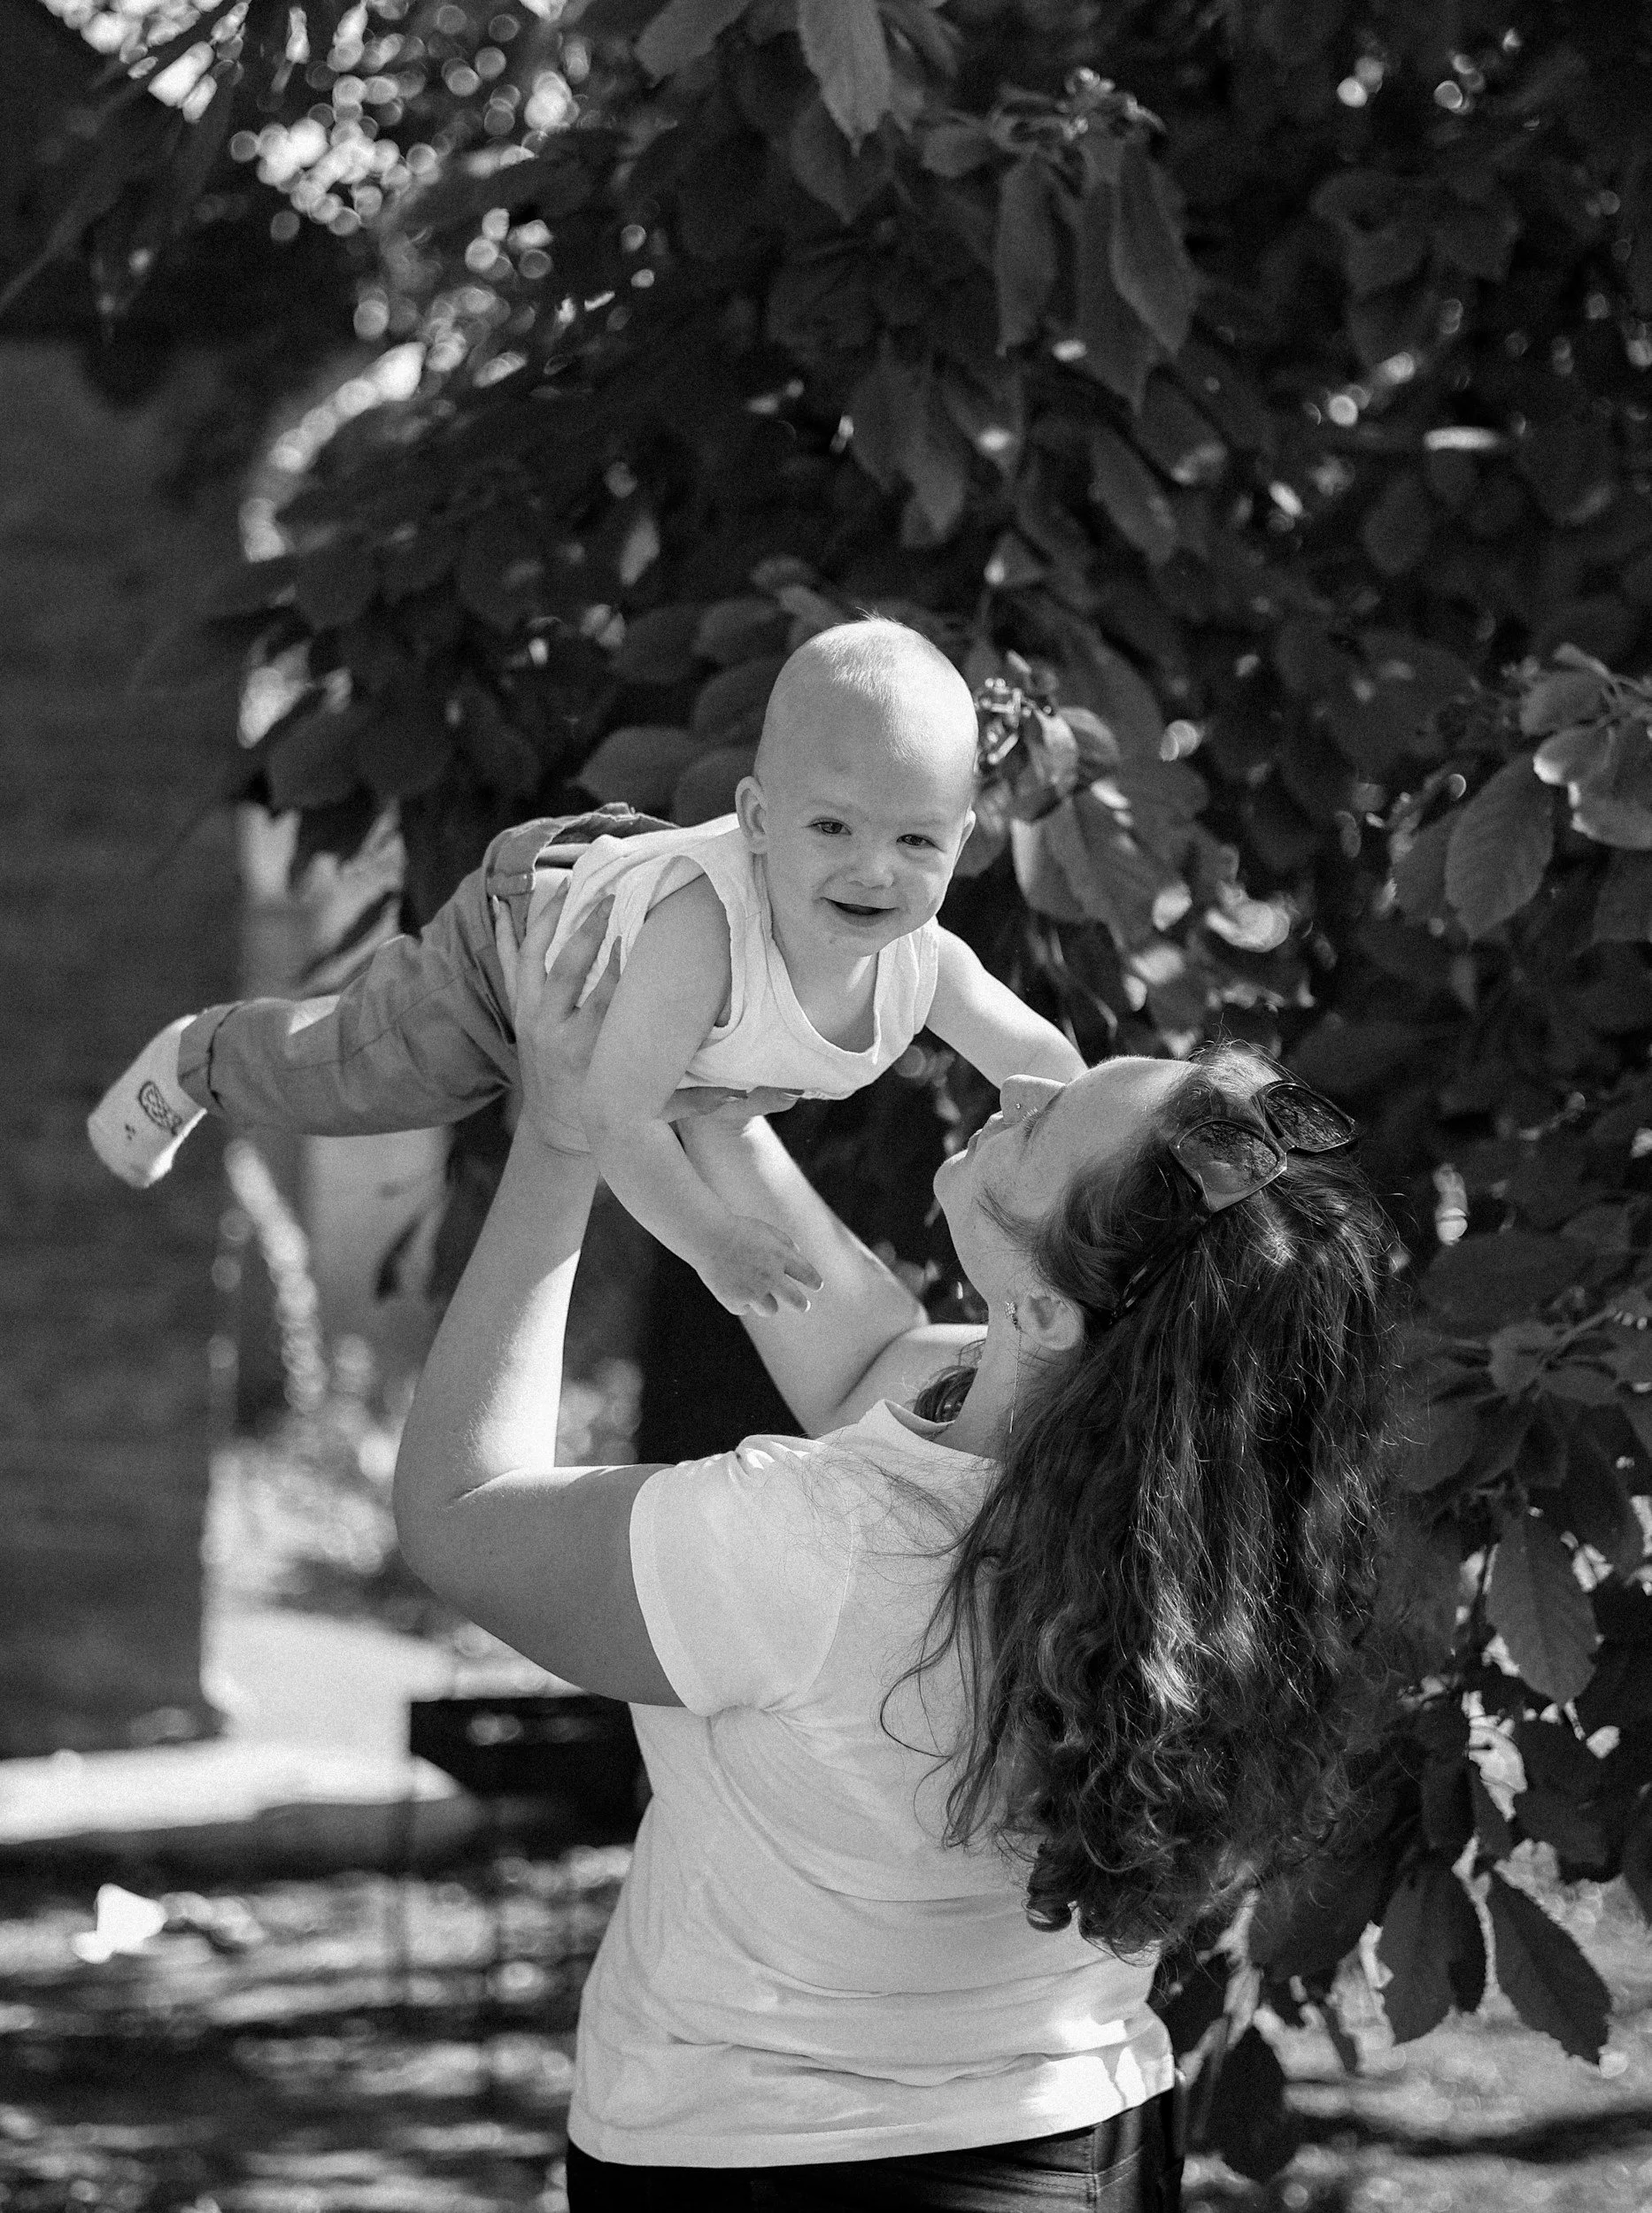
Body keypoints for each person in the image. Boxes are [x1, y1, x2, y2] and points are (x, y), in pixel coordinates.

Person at [391, 882, 1401, 2210]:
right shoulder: (1208, 1524)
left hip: (779, 2169)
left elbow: (460, 1516)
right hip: (1087, 2147)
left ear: (1040, 1309)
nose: (1022, 1089)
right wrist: (717, 1121)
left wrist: (565, 1138)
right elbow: (869, 1361)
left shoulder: (812, 1548)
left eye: (1047, 1121)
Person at [88, 618, 1082, 1313]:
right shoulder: (704, 931)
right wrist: (709, 1240)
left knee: (692, 1098)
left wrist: (1137, 1147)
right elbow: (617, 1118)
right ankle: (199, 1059)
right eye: (833, 826)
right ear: (757, 822)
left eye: (916, 842)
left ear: (963, 839)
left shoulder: (926, 967)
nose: (875, 870)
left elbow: (1049, 1064)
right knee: (375, 1072)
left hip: (638, 1007)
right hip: (520, 941)